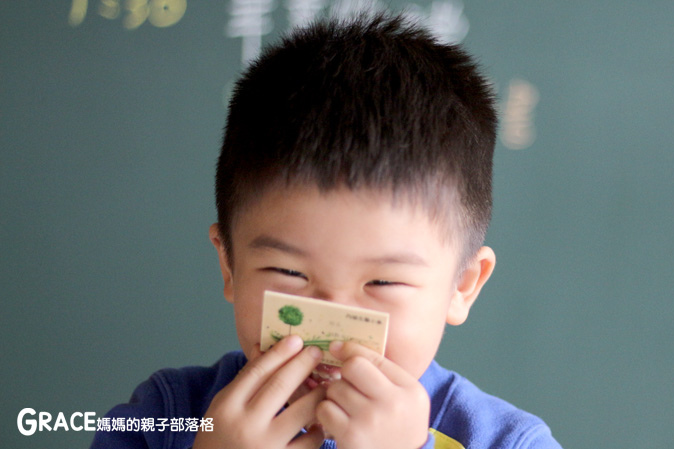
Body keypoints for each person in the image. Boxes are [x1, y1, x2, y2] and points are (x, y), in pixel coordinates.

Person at [91, 12, 562, 449]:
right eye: (289, 273)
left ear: (463, 285)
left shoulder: (510, 442)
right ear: (229, 264)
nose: (332, 318)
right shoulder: (161, 417)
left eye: (382, 281)